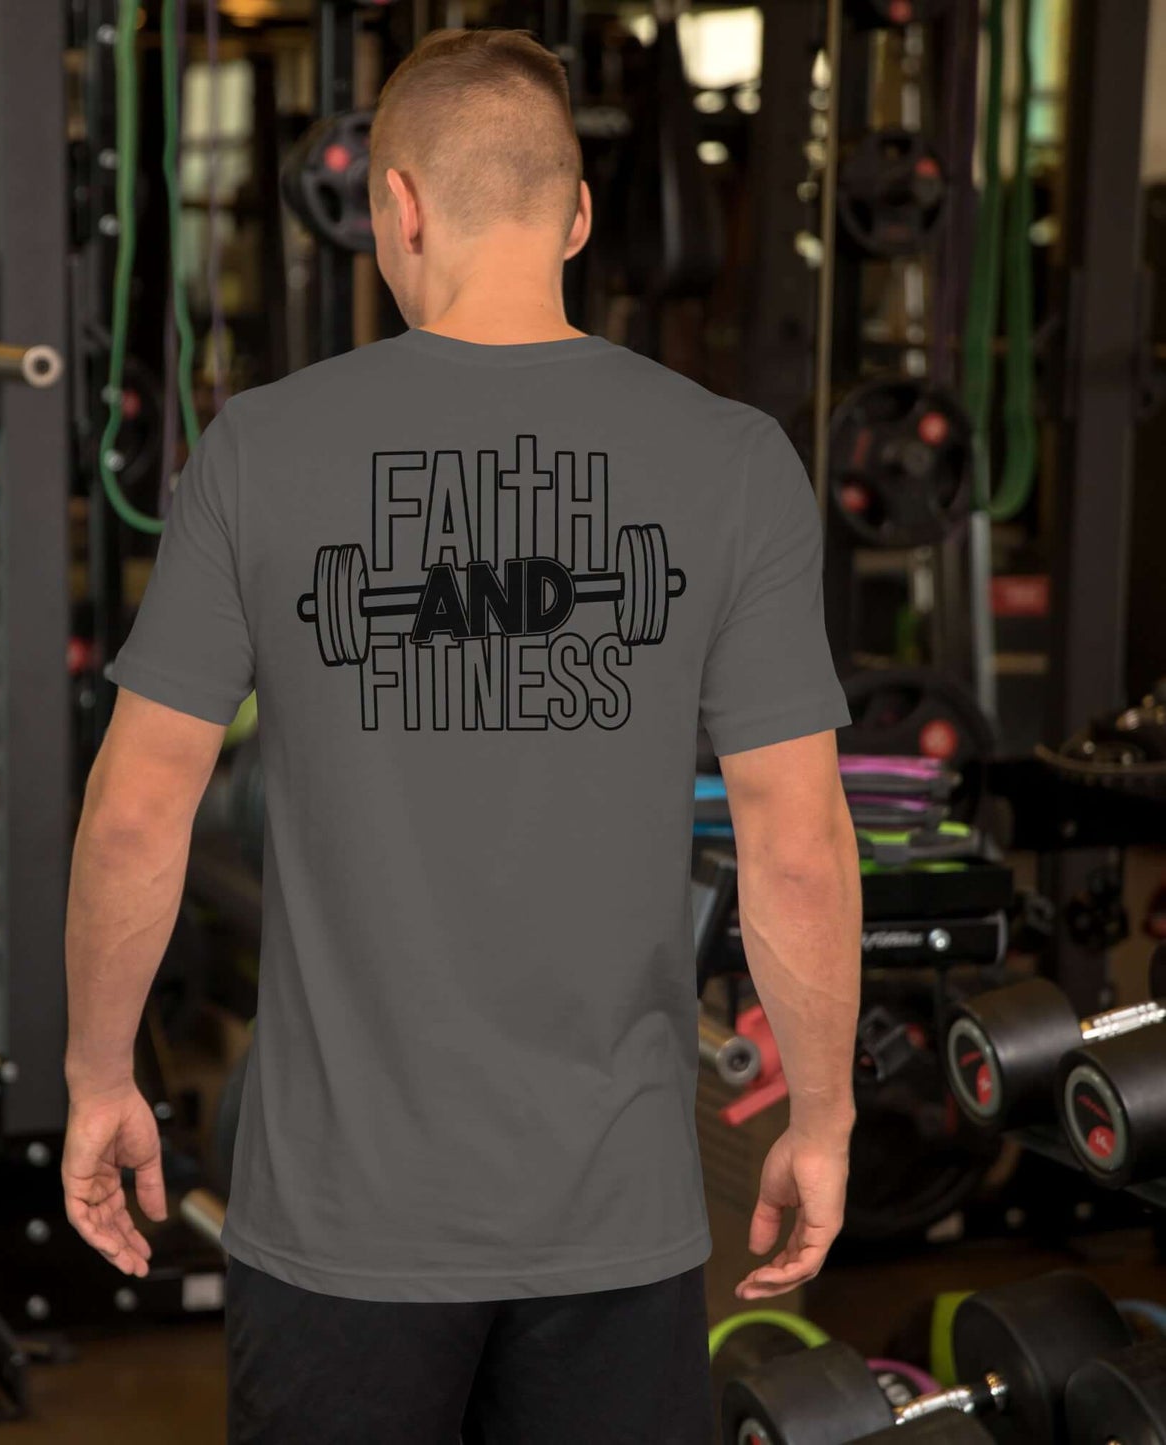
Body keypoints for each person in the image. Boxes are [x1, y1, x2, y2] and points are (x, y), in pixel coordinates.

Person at [62, 28, 861, 1445]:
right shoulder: (731, 460)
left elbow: (135, 814)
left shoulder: (258, 448)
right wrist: (824, 1115)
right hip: (614, 1216)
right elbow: (792, 840)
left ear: (398, 206)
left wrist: (100, 1077)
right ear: (578, 214)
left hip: (338, 1222)